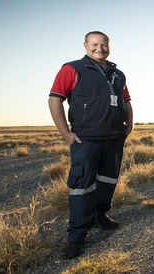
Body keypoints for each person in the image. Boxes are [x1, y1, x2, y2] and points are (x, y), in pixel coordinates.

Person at [48, 31, 133, 259]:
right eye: (94, 44)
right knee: (82, 186)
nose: (100, 48)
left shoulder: (118, 74)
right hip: (86, 139)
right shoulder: (72, 69)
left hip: (114, 138)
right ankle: (77, 236)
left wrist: (130, 123)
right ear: (85, 45)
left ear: (109, 46)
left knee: (108, 180)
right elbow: (55, 99)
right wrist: (66, 133)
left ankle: (100, 215)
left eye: (104, 44)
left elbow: (126, 100)